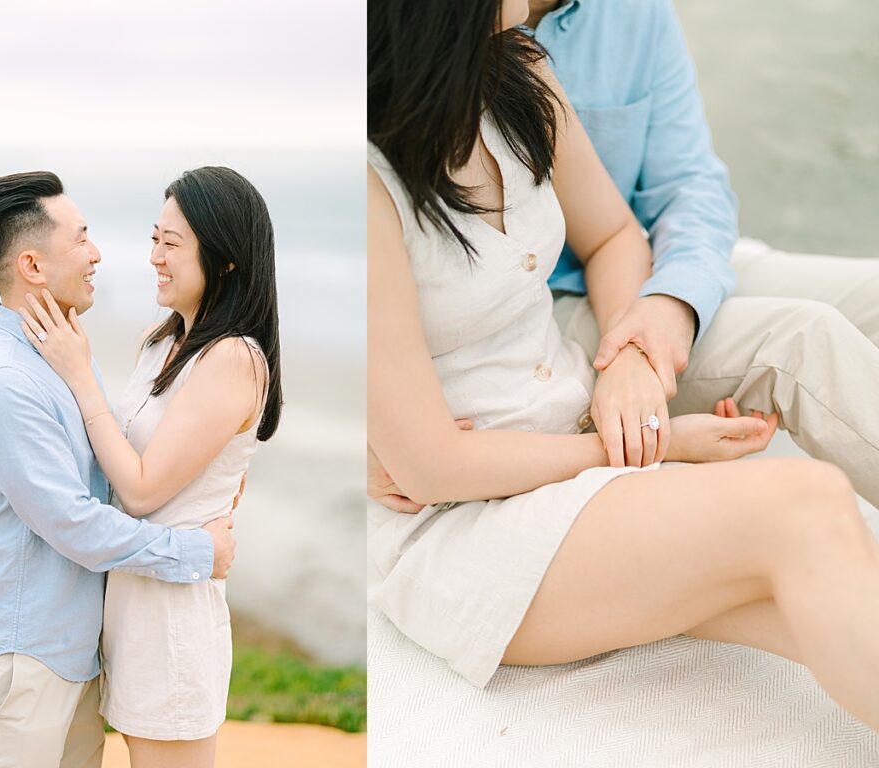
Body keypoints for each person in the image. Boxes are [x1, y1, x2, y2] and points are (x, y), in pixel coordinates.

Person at [367, 0, 879, 738]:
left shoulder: (519, 72)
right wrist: (658, 443)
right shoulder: (370, 180)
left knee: (825, 595)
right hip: (469, 530)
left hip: (562, 405)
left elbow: (613, 233)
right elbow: (433, 469)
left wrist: (626, 360)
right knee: (805, 504)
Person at [0, 171, 236, 768]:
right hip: (19, 655)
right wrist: (196, 552)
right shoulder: (8, 384)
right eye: (80, 239)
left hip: (69, 651)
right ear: (32, 265)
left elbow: (113, 474)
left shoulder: (61, 356)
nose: (96, 254)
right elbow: (72, 522)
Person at [527, 0, 879, 496]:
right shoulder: (451, 41)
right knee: (803, 341)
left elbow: (689, 187)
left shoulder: (635, 12)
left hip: (640, 266)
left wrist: (674, 301)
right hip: (545, 312)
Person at [19, 167, 282, 768]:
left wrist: (80, 373)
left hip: (172, 617)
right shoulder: (161, 342)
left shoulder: (234, 358)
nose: (155, 258)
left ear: (226, 258)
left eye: (172, 244)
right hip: (131, 601)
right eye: (154, 239)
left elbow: (137, 491)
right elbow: (126, 461)